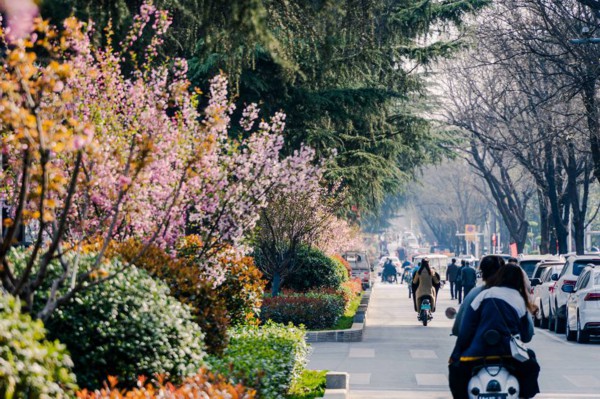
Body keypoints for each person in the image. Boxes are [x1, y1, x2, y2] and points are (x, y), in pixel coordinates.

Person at [448, 263, 540, 399]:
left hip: (477, 353)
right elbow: (526, 336)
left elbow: (466, 331)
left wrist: (455, 355)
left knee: (456, 371)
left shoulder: (483, 295)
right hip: (510, 355)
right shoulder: (519, 300)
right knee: (532, 366)